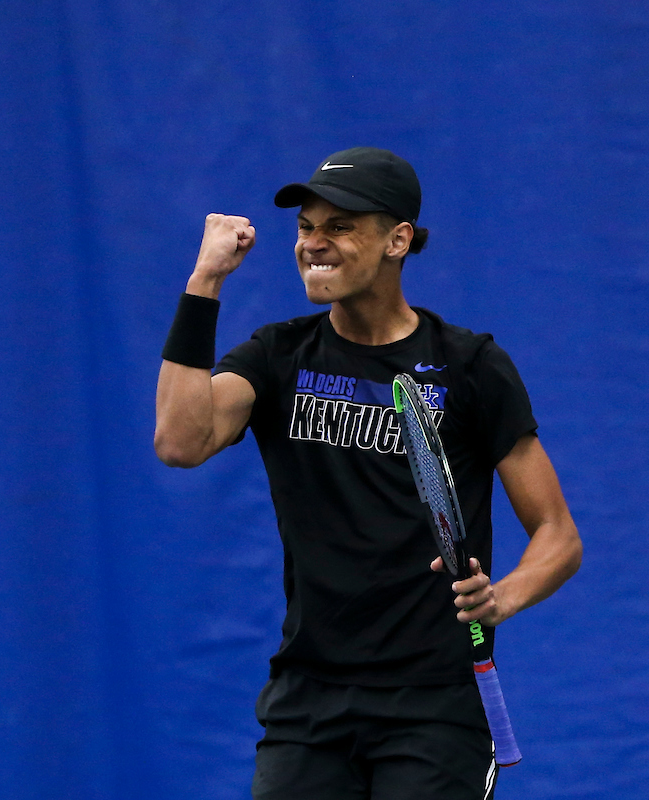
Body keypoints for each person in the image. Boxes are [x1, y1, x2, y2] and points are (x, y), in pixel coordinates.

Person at [153, 147, 582, 799]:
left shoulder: (469, 367)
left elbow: (558, 535)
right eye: (306, 227)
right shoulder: (277, 357)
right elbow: (181, 441)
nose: (314, 244)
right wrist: (205, 283)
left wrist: (507, 595)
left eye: (340, 226)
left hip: (433, 709)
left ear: (398, 239)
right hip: (308, 703)